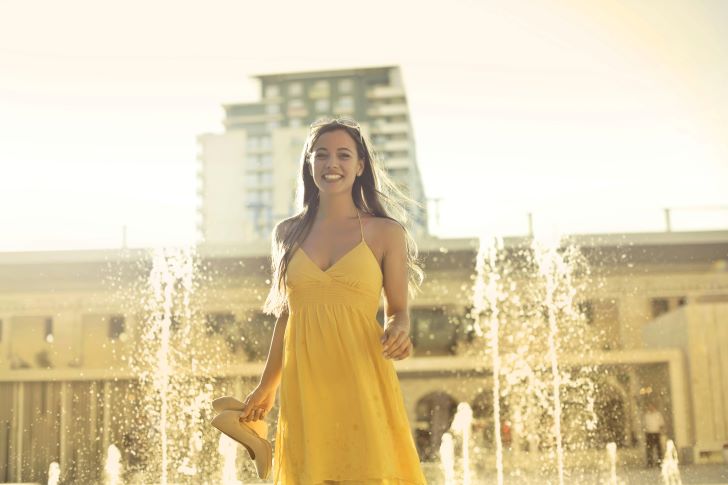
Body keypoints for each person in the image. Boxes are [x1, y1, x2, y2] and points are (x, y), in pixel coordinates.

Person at [237, 116, 427, 484]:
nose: (332, 164)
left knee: (369, 471)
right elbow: (286, 315)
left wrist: (399, 330)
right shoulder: (286, 233)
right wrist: (266, 385)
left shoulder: (386, 232)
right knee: (314, 474)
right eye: (321, 155)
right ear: (309, 164)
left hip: (361, 368)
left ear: (360, 166)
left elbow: (398, 311)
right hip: (305, 375)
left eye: (343, 155)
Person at [643, 402, 666, 468]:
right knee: (649, 449)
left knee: (659, 449)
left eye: (652, 406)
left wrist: (661, 432)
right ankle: (650, 462)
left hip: (656, 433)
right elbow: (644, 424)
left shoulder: (658, 414)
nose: (651, 408)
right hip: (649, 433)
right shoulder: (646, 415)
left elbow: (661, 424)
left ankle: (660, 462)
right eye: (649, 406)